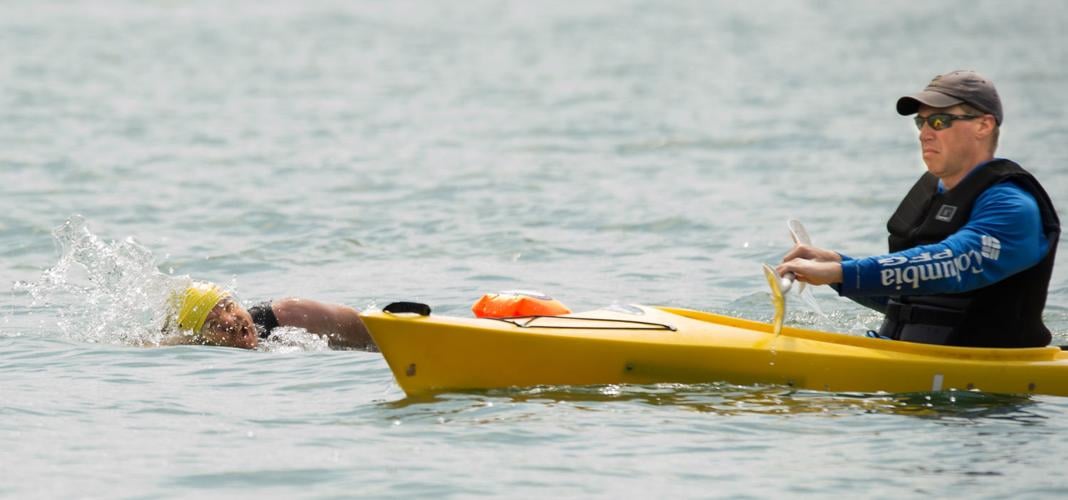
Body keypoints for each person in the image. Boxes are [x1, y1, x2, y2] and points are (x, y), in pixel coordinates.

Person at [777, 70, 1060, 348]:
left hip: (981, 379)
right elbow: (916, 300)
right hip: (908, 360)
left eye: (939, 121)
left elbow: (953, 262)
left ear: (983, 126)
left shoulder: (1013, 207)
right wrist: (837, 265)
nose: (924, 134)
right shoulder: (934, 194)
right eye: (920, 123)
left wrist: (844, 273)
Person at [164, 281, 375, 350]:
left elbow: (374, 330)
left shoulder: (292, 315)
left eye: (229, 307)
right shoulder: (199, 349)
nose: (230, 321)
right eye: (213, 324)